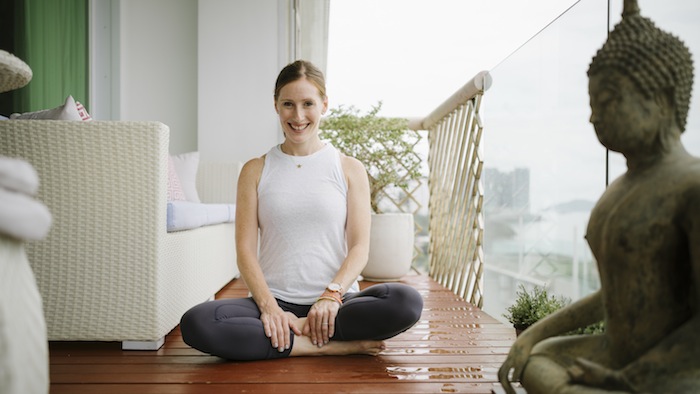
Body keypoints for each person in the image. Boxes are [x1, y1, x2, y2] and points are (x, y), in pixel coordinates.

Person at [498, 1, 700, 393]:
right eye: (592, 105)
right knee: (538, 360)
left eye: (606, 102)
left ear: (660, 97)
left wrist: (628, 379)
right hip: (617, 352)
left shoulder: (692, 187)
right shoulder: (619, 190)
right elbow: (617, 292)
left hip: (675, 371)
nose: (593, 118)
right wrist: (530, 335)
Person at [180, 60, 423, 361]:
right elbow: (245, 251)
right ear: (275, 106)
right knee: (197, 323)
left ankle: (289, 338)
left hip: (336, 304)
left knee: (405, 301)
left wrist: (330, 296)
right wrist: (270, 308)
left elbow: (360, 248)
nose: (298, 116)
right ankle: (321, 345)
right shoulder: (255, 170)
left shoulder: (348, 168)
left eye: (308, 103)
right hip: (274, 300)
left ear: (324, 104)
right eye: (288, 104)